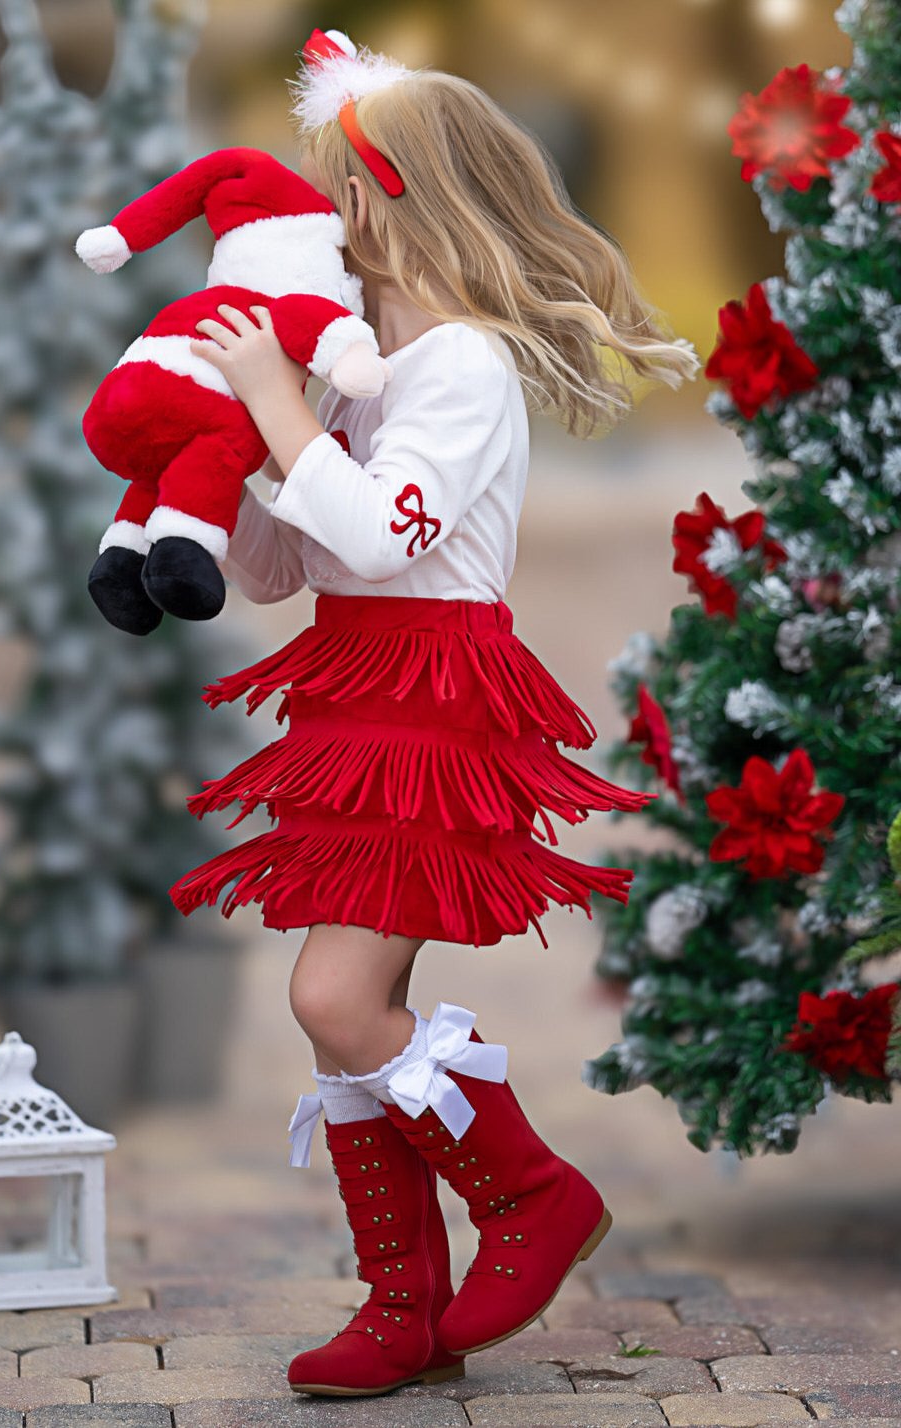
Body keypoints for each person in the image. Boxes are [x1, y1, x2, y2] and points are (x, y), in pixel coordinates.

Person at [170, 26, 701, 1399]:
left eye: (323, 208)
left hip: (433, 700)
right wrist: (223, 465)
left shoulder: (458, 369)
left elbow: (391, 538)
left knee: (335, 995)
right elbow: (299, 565)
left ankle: (531, 1194)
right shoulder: (363, 373)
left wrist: (283, 415)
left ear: (383, 204)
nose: (305, 238)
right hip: (354, 687)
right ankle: (400, 1304)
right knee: (346, 1014)